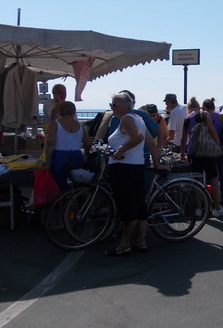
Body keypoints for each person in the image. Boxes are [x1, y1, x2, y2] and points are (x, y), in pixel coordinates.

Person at [106, 92, 165, 256]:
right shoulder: (139, 119)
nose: (112, 107)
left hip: (122, 167)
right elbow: (151, 144)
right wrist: (157, 163)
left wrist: (121, 150)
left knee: (127, 206)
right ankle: (141, 241)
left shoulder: (126, 119)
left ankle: (124, 244)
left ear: (125, 105)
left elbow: (138, 138)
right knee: (139, 203)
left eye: (114, 104)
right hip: (137, 166)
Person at [180, 98, 223, 217]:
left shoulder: (187, 119)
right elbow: (212, 130)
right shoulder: (204, 115)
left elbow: (184, 139)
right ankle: (216, 208)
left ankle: (198, 209)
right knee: (214, 180)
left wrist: (182, 153)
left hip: (193, 152)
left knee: (196, 181)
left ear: (189, 108)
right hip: (207, 152)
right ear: (198, 106)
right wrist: (218, 144)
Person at [44, 101, 92, 190]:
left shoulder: (55, 124)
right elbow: (88, 143)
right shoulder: (80, 126)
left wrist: (47, 161)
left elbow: (50, 142)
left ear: (60, 111)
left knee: (60, 185)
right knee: (76, 185)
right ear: (74, 111)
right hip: (76, 156)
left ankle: (63, 202)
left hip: (60, 156)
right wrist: (86, 153)